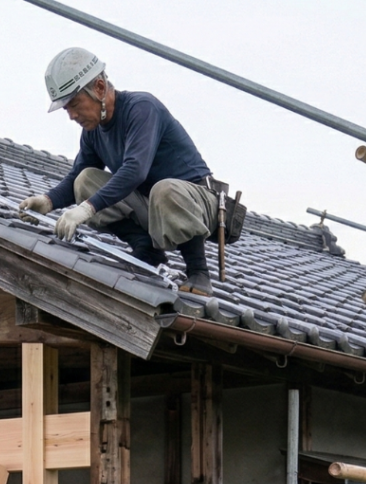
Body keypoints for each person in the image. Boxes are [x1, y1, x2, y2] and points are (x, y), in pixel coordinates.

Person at [19, 47, 220, 297]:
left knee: (164, 189)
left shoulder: (142, 108)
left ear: (100, 88)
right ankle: (146, 248)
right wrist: (48, 201)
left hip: (197, 202)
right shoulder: (92, 132)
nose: (71, 116)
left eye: (74, 104)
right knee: (85, 181)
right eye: (66, 109)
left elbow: (135, 170)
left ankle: (198, 271)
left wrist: (86, 209)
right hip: (152, 204)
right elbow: (76, 178)